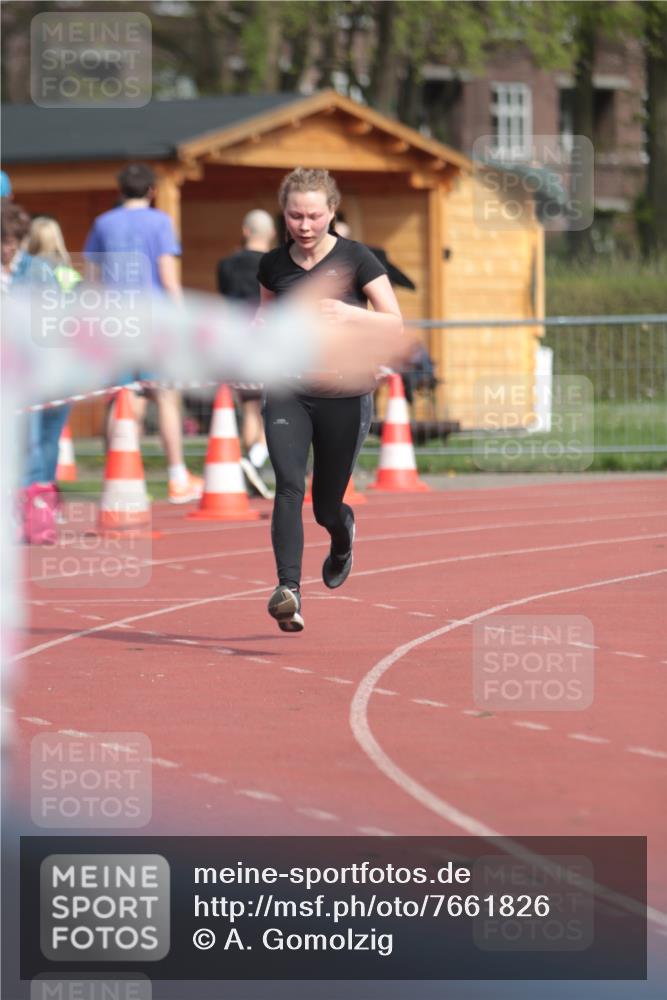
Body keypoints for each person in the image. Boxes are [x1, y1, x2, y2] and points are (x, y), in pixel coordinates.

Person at [258, 167, 403, 632]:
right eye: (295, 216)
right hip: (288, 390)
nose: (304, 226)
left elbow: (393, 321)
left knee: (324, 506)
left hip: (344, 393)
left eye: (314, 216)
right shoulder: (272, 264)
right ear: (283, 213)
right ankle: (289, 591)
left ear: (332, 213)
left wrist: (346, 314)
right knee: (287, 486)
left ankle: (342, 537)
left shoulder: (356, 258)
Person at [83, 162, 203, 504]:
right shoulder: (160, 221)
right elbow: (168, 277)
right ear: (152, 191)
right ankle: (177, 476)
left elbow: (93, 278)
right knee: (164, 396)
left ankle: (117, 477)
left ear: (120, 191)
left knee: (122, 398)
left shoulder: (102, 223)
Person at [1, 200, 65, 543]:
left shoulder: (39, 270)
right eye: (2, 243)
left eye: (12, 242)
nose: (7, 249)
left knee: (38, 443)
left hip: (36, 368)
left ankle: (37, 513)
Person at [217, 209, 276, 499]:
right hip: (266, 340)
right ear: (272, 234)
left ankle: (249, 463)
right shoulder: (276, 265)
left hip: (236, 342)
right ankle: (253, 461)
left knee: (251, 409)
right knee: (275, 407)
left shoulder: (225, 265)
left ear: (245, 230)